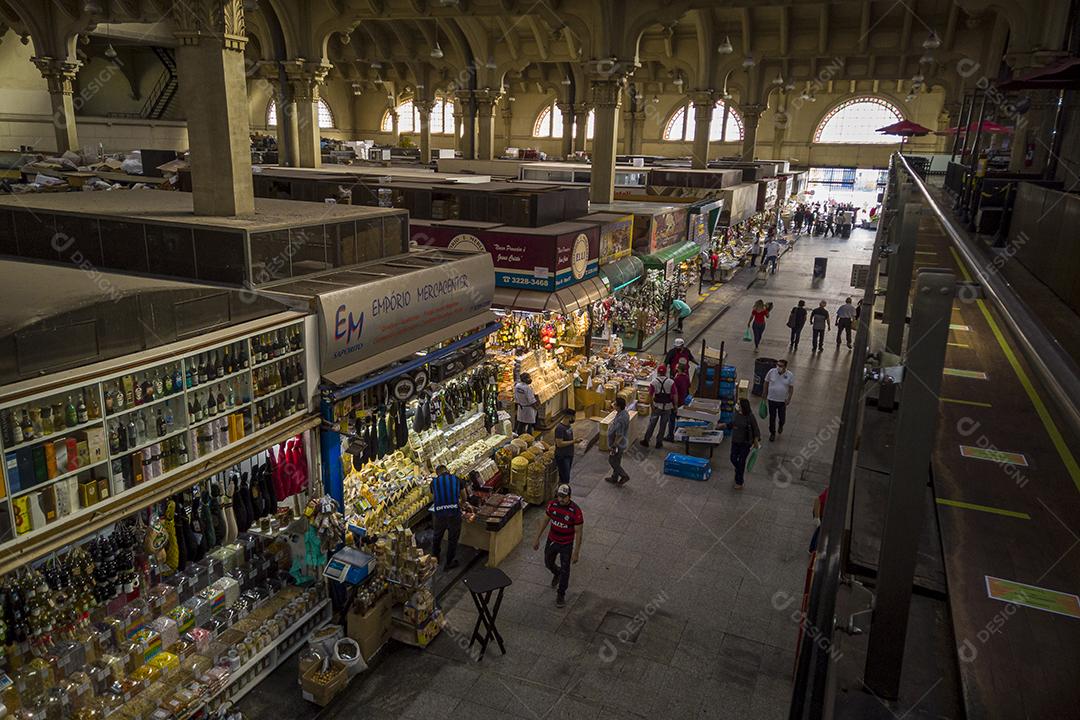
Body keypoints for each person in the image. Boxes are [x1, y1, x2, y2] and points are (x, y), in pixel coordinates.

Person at [532, 483, 584, 608]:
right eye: (559, 496)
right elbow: (545, 521)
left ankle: (561, 593)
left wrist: (576, 552)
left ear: (569, 497)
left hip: (566, 544)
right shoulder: (553, 505)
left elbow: (579, 533)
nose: (561, 499)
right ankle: (557, 572)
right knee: (548, 562)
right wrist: (537, 538)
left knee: (566, 569)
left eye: (564, 497)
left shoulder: (575, 511)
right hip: (552, 540)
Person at [431, 464, 468, 570]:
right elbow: (464, 497)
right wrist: (460, 504)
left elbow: (434, 498)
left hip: (439, 514)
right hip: (453, 513)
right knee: (453, 538)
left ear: (437, 474)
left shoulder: (433, 483)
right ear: (447, 470)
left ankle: (435, 559)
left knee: (437, 536)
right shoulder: (457, 479)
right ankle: (449, 562)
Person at [722, 398, 761, 489]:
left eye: (739, 404)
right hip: (735, 441)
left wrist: (756, 440)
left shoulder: (750, 417)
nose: (737, 405)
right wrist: (723, 425)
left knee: (741, 461)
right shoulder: (736, 414)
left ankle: (739, 481)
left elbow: (756, 430)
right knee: (733, 458)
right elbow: (732, 424)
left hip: (745, 443)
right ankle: (738, 469)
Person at [640, 365, 675, 449]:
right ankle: (659, 442)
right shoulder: (671, 382)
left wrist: (652, 406)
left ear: (658, 372)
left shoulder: (654, 382)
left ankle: (646, 440)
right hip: (667, 407)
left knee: (652, 424)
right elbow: (674, 395)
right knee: (663, 425)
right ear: (666, 372)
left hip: (657, 406)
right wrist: (675, 406)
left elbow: (650, 395)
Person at [763, 358, 795, 441]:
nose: (778, 367)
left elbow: (791, 388)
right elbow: (766, 382)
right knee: (772, 417)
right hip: (772, 399)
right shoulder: (771, 372)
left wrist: (789, 399)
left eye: (781, 366)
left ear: (785, 367)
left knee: (782, 417)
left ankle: (781, 425)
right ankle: (772, 433)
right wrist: (764, 393)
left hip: (782, 401)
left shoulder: (790, 375)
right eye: (778, 365)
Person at [605, 397, 631, 485]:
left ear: (619, 406)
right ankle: (614, 477)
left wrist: (614, 445)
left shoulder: (621, 419)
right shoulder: (623, 413)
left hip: (618, 444)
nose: (613, 405)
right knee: (617, 460)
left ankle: (624, 475)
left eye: (615, 404)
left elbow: (619, 434)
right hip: (621, 442)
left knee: (612, 461)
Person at [554, 409, 575, 486]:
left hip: (569, 454)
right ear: (569, 417)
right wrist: (574, 441)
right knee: (564, 478)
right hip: (562, 456)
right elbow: (559, 443)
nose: (574, 419)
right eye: (574, 417)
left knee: (566, 476)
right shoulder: (560, 428)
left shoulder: (568, 426)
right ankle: (562, 494)